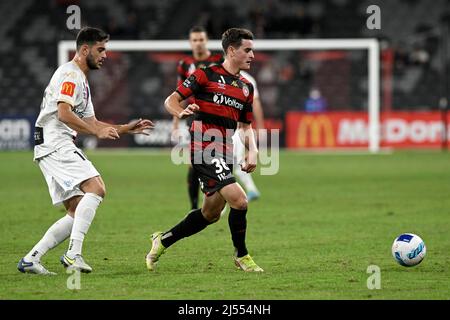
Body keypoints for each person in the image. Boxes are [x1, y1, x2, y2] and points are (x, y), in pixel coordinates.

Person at [18, 27, 153, 275]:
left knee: (76, 207)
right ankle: (73, 255)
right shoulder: (70, 75)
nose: (104, 55)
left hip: (50, 143)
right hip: (55, 141)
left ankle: (31, 259)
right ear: (84, 49)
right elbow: (64, 113)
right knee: (96, 188)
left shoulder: (81, 79)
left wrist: (123, 128)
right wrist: (96, 132)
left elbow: (92, 122)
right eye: (100, 49)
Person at [146, 28, 263, 272]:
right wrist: (180, 112)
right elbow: (171, 100)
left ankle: (163, 240)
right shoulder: (204, 75)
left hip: (226, 151)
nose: (252, 55)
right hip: (204, 149)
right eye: (247, 50)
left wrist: (252, 151)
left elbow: (245, 127)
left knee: (210, 213)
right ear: (231, 50)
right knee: (240, 201)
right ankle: (242, 255)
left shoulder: (245, 88)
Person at [172, 26, 223, 211]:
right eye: (194, 40)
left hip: (218, 117)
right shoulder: (184, 64)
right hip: (194, 118)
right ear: (190, 42)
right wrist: (176, 122)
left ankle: (219, 200)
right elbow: (179, 94)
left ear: (206, 40)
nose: (198, 43)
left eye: (201, 39)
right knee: (195, 163)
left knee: (219, 159)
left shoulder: (219, 60)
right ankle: (194, 207)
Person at [233, 70, 264, 201]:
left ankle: (221, 202)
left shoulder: (247, 81)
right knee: (235, 163)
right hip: (221, 127)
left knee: (230, 163)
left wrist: (260, 126)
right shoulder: (216, 75)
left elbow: (255, 104)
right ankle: (251, 189)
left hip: (238, 128)